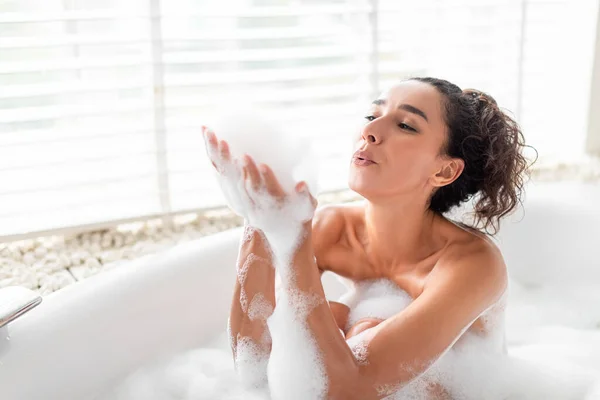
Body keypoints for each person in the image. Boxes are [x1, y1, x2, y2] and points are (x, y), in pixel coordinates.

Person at [203, 77, 534, 399]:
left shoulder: (471, 264)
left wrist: (293, 243)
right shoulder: (332, 226)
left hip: (464, 390)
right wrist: (257, 222)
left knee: (359, 330)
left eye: (406, 125)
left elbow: (346, 393)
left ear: (444, 171)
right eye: (372, 116)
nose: (370, 131)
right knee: (330, 320)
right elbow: (253, 363)